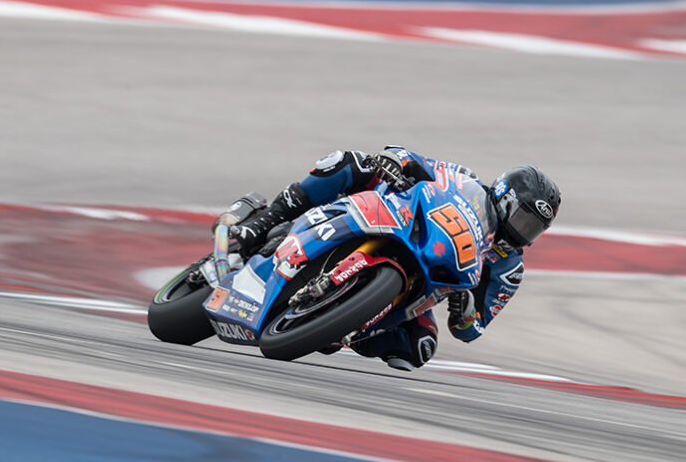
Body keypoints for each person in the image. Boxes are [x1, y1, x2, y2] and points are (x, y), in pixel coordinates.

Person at [225, 146, 561, 371]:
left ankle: (343, 323)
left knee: (420, 349)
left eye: (533, 228)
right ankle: (263, 223)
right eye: (522, 219)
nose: (523, 231)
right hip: (395, 220)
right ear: (503, 196)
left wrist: (466, 311)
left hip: (425, 282)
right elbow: (412, 159)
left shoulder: (509, 269)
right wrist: (396, 163)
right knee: (349, 162)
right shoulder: (465, 180)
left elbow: (471, 329)